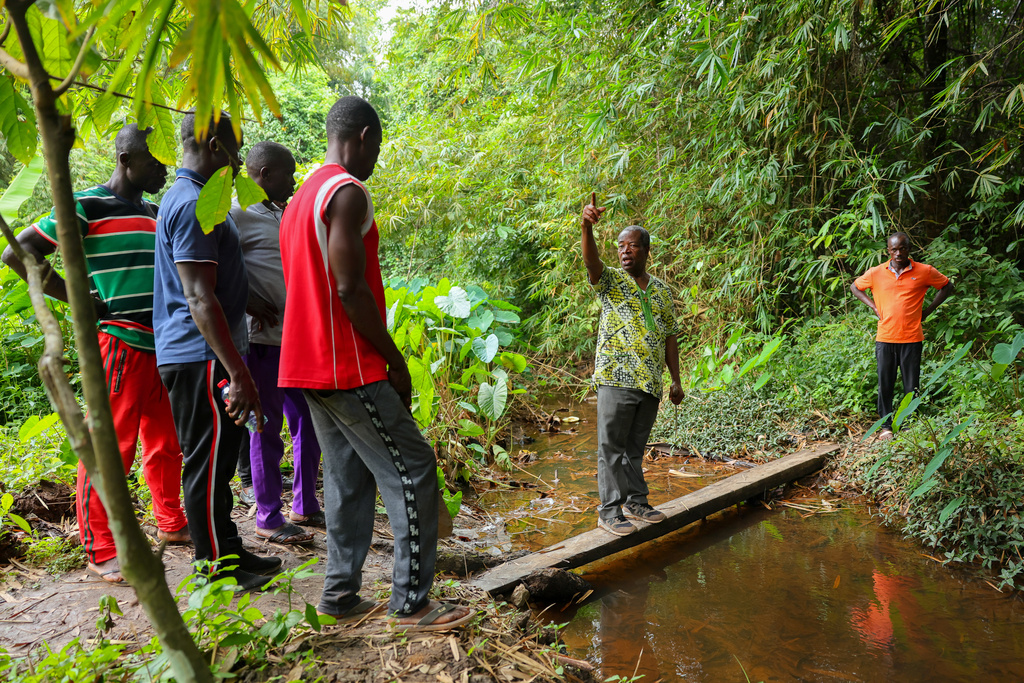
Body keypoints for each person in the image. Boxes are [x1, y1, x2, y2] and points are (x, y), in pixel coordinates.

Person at [278, 95, 472, 630]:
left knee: (348, 478)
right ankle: (411, 604)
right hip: (346, 364)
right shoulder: (345, 191)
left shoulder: (299, 200)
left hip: (306, 363)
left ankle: (338, 597)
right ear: (363, 136)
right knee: (413, 470)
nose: (376, 159)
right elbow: (348, 287)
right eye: (378, 146)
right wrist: (393, 359)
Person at [1, 124, 190, 584]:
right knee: (111, 447)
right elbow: (18, 252)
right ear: (125, 159)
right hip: (119, 343)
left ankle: (171, 522)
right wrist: (79, 299)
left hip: (161, 343)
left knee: (165, 444)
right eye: (155, 160)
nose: (164, 169)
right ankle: (101, 547)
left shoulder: (152, 211)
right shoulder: (85, 205)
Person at [153, 112, 281, 591]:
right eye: (232, 151)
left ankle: (227, 546)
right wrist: (238, 371)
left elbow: (214, 281)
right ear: (212, 148)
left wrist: (249, 300)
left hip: (205, 353)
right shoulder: (191, 205)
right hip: (198, 356)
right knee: (206, 465)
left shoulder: (200, 201)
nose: (236, 162)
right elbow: (198, 298)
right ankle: (214, 567)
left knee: (222, 461)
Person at [230, 141, 322, 545]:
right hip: (261, 341)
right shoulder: (234, 212)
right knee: (264, 428)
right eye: (288, 173)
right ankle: (268, 516)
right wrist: (247, 298)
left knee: (308, 422)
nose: (294, 179)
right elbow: (216, 267)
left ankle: (304, 503)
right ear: (264, 174)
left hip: (297, 339)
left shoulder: (280, 211)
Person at [581, 194, 683, 537]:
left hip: (650, 381)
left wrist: (675, 380)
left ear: (646, 250)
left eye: (632, 246)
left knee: (634, 450)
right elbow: (592, 263)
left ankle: (636, 502)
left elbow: (670, 336)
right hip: (615, 377)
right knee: (610, 447)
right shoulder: (610, 282)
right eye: (621, 246)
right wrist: (586, 227)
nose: (625, 251)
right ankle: (609, 511)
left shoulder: (662, 291)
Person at [851, 232, 954, 440]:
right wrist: (873, 306)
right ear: (888, 251)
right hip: (885, 338)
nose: (898, 253)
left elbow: (947, 287)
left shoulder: (924, 271)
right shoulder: (876, 272)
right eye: (894, 249)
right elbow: (855, 287)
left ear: (909, 248)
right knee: (885, 383)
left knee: (911, 384)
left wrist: (927, 311)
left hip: (912, 338)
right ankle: (886, 426)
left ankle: (909, 424)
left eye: (903, 248)